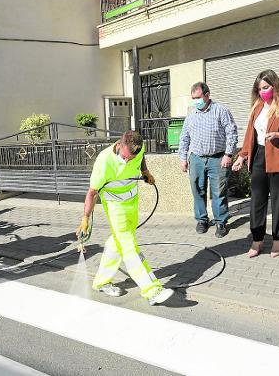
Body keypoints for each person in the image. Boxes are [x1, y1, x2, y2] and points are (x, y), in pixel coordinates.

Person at [76, 130, 174, 306]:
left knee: (117, 242)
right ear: (119, 145)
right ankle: (152, 290)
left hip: (132, 203)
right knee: (129, 246)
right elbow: (92, 193)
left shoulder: (137, 149)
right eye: (126, 156)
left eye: (131, 157)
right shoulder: (104, 160)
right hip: (115, 207)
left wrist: (145, 171)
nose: (128, 160)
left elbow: (141, 156)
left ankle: (101, 281)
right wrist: (85, 218)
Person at [232, 70, 279, 258]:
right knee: (257, 201)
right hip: (259, 157)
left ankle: (278, 239)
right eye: (259, 89)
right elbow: (250, 135)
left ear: (275, 85)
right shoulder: (257, 107)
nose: (262, 91)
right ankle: (257, 240)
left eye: (265, 87)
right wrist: (242, 156)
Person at [179, 82, 238, 237]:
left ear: (207, 95)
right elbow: (184, 137)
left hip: (217, 158)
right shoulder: (192, 114)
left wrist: (228, 154)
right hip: (196, 158)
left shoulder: (221, 111)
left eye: (198, 97)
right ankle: (202, 220)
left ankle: (220, 222)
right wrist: (183, 158)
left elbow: (232, 132)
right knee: (197, 190)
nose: (196, 101)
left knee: (219, 192)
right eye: (193, 98)